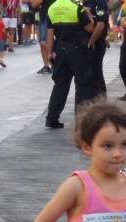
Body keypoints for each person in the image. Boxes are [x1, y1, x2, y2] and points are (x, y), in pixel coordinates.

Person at [44, 0, 95, 129]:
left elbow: (50, 34)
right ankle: (81, 119)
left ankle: (52, 118)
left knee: (60, 85)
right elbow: (90, 27)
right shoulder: (77, 8)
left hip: (60, 51)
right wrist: (89, 15)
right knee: (82, 84)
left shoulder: (52, 8)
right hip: (77, 50)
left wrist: (49, 53)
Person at [85, 0, 109, 96]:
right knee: (91, 72)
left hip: (96, 43)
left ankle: (100, 97)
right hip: (86, 42)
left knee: (95, 71)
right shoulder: (83, 2)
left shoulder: (100, 2)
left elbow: (100, 26)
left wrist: (91, 42)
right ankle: (97, 97)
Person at [31, 0, 52, 74]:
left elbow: (34, 4)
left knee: (44, 42)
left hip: (46, 17)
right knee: (42, 42)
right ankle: (46, 66)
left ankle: (53, 64)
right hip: (42, 17)